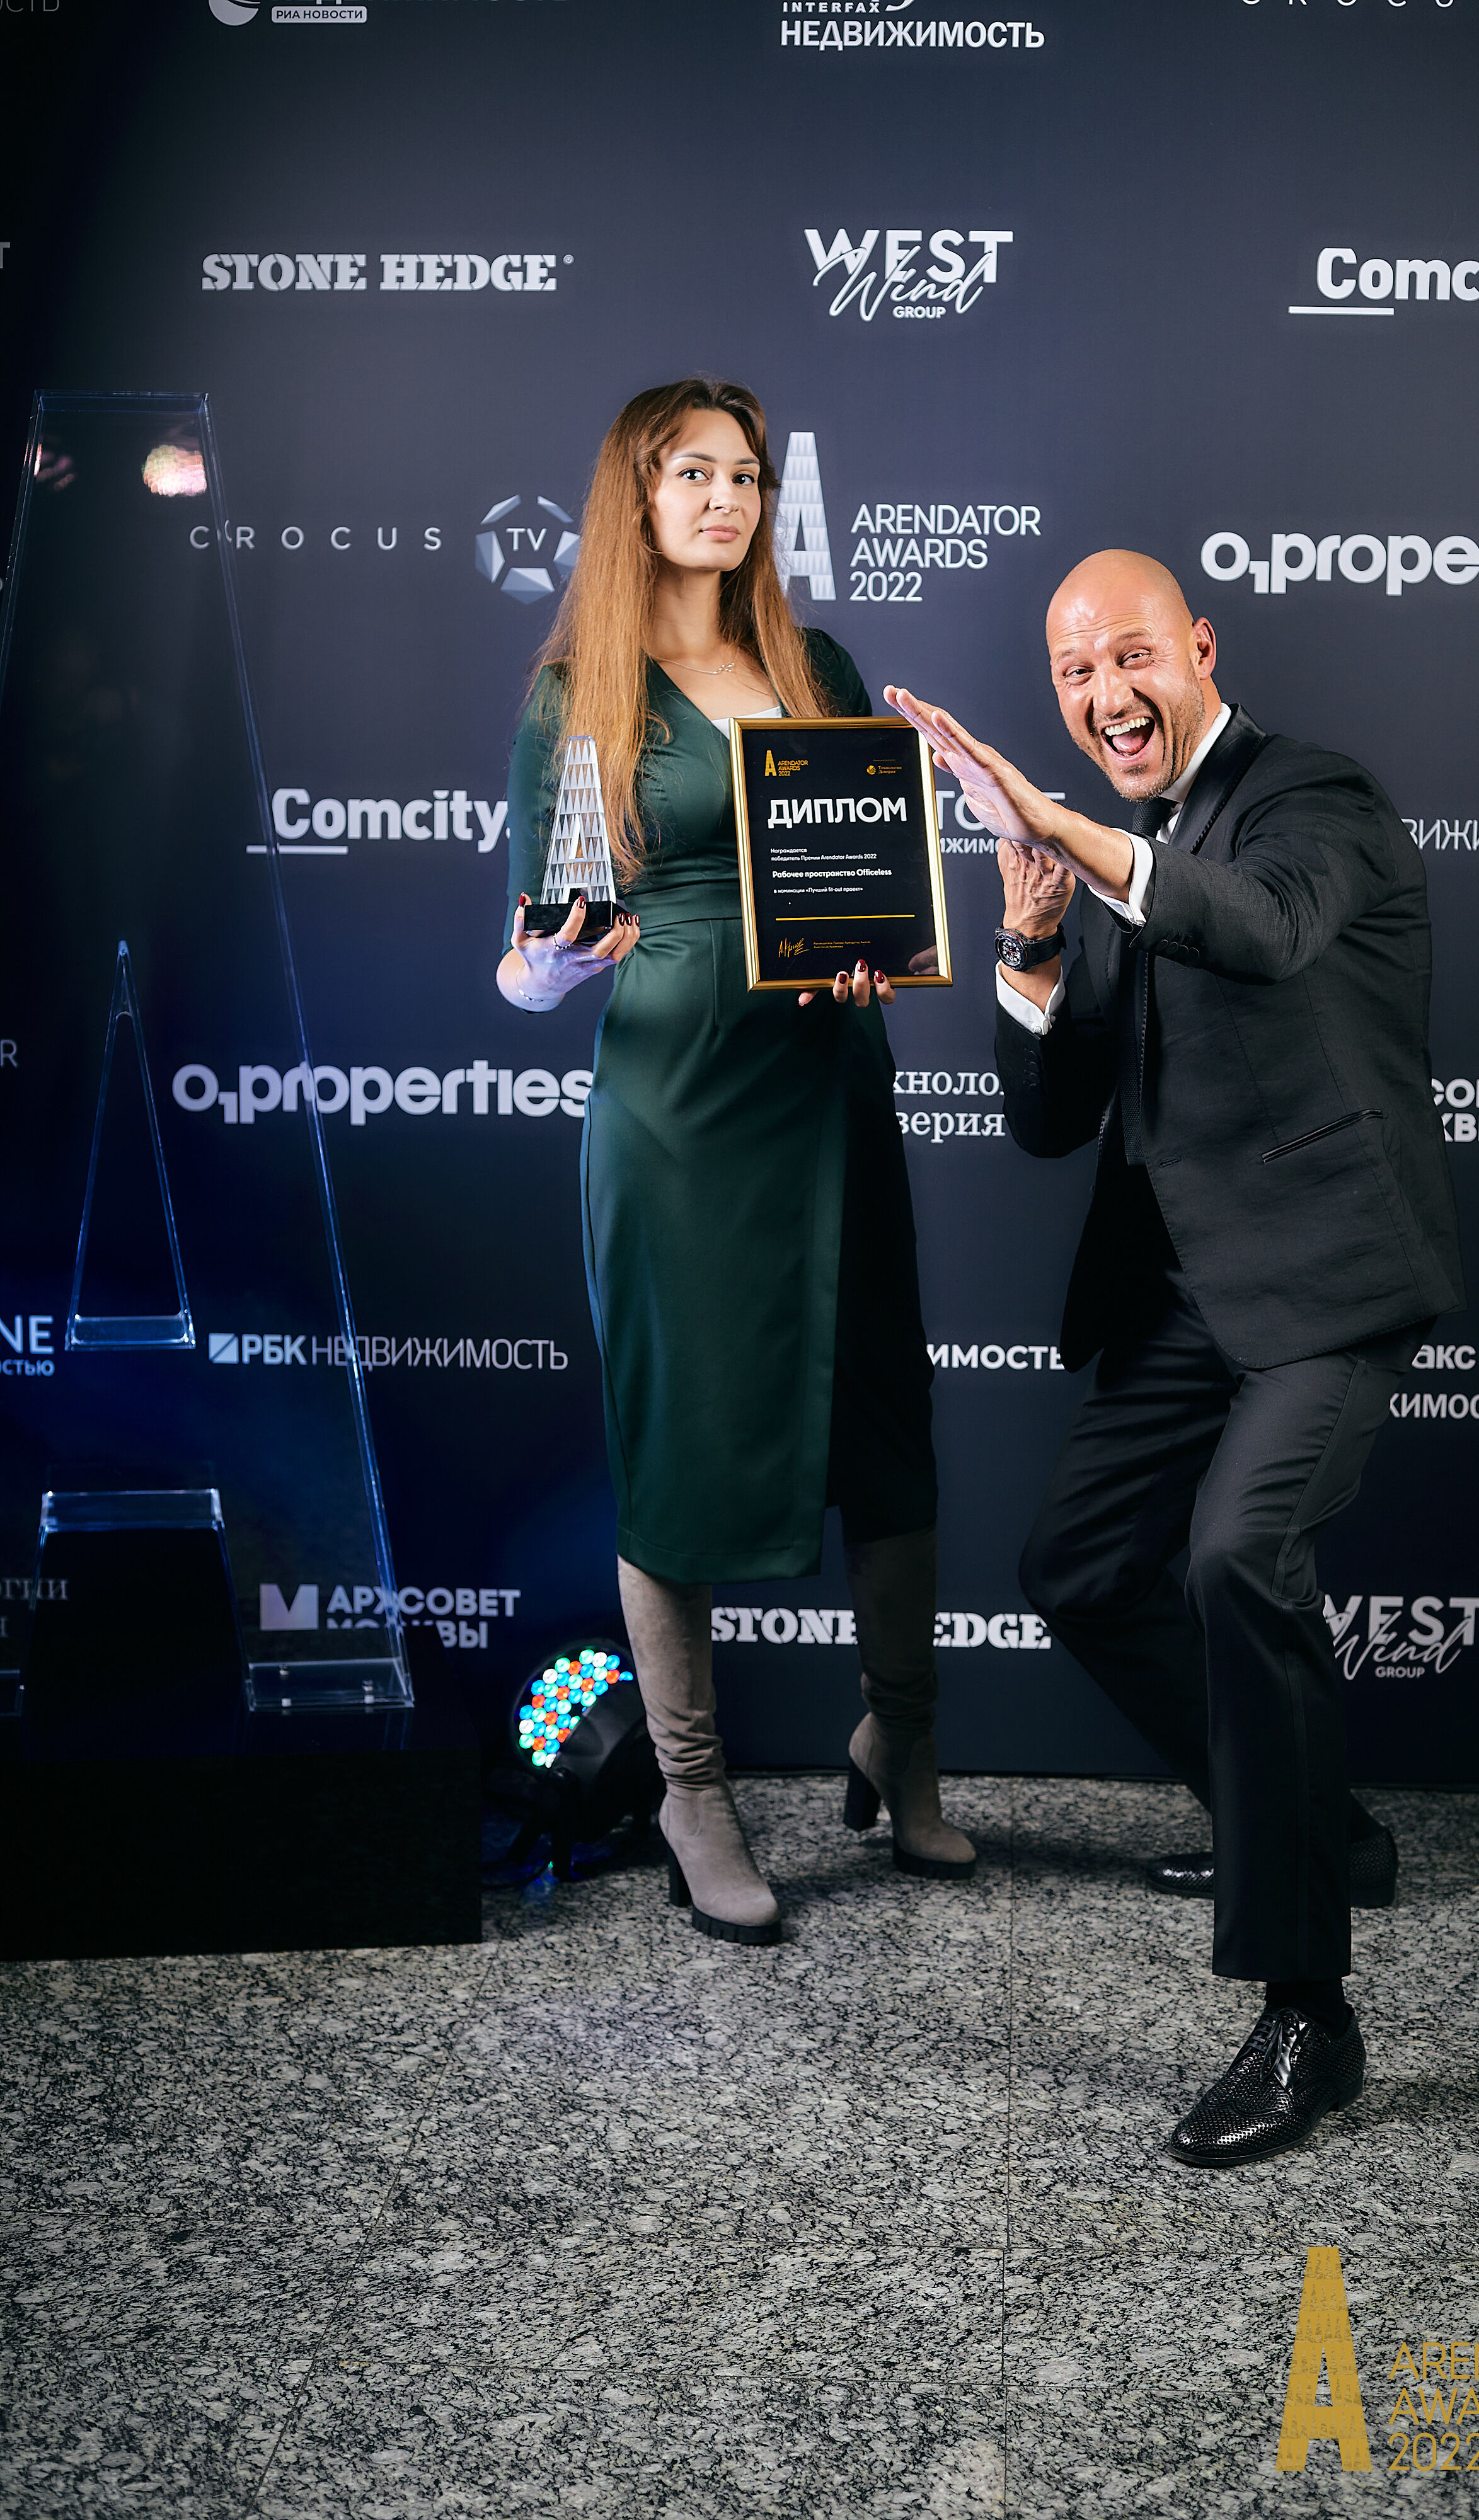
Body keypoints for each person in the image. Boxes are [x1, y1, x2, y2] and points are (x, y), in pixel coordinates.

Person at [887, 550, 1463, 2166]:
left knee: (1235, 1556)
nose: (1103, 695)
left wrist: (1072, 833)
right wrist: (1028, 939)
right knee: (1075, 1564)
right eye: (1073, 674)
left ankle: (1306, 2014)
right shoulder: (1109, 859)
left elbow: (1261, 931)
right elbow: (1049, 1118)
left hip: (1327, 1282)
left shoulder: (1310, 799)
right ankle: (1311, 1824)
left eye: (1129, 656)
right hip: (1184, 1297)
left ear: (1198, 648)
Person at [497, 378, 974, 1949]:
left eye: (746, 475)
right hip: (679, 1101)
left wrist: (877, 943)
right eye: (692, 472)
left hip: (831, 1077)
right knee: (683, 1431)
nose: (725, 497)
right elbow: (526, 960)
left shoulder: (812, 662)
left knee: (882, 1415)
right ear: (634, 497)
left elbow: (867, 867)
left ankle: (899, 1739)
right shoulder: (577, 694)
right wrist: (557, 963)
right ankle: (691, 1791)